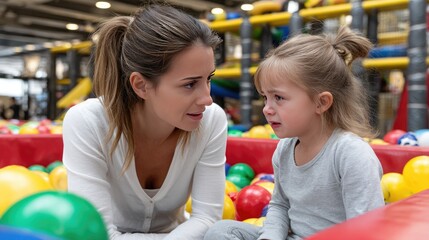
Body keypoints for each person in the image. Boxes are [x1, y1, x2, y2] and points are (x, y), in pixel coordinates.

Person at [62, 3, 228, 240]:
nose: (207, 99)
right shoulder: (87, 122)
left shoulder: (211, 121)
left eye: (208, 79)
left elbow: (207, 219)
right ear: (141, 85)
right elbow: (97, 234)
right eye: (190, 84)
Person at [204, 26, 385, 240]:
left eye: (278, 98)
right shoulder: (285, 149)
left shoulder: (350, 153)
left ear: (321, 102)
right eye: (265, 97)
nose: (267, 108)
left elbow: (365, 230)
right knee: (221, 231)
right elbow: (280, 205)